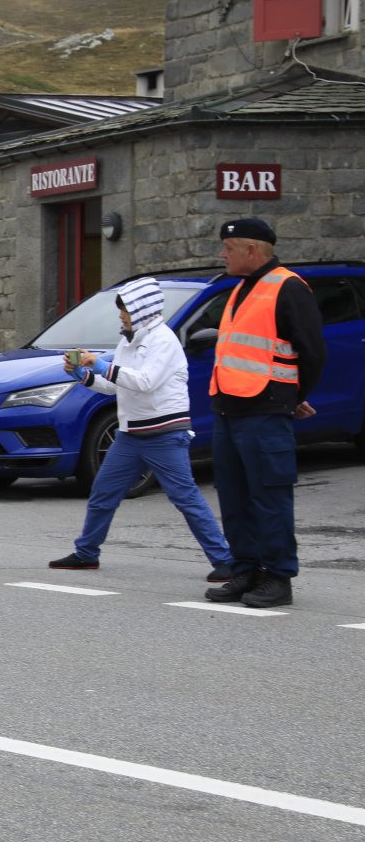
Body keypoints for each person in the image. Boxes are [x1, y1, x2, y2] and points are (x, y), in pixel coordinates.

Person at [47, 277, 233, 579]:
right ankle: (86, 553)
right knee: (102, 493)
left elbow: (145, 381)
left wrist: (99, 365)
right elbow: (114, 385)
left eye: (125, 310)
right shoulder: (128, 341)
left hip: (165, 433)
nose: (121, 316)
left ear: (142, 309)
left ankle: (224, 561)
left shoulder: (163, 340)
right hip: (130, 434)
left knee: (186, 498)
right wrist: (81, 374)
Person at [203, 217, 327, 609]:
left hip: (264, 410)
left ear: (252, 250)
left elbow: (313, 353)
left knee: (269, 497)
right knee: (235, 498)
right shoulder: (241, 287)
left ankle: (277, 576)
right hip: (229, 408)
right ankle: (246, 570)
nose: (222, 254)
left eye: (228, 248)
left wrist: (289, 397)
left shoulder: (288, 287)